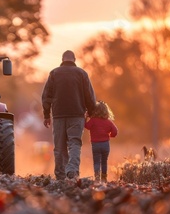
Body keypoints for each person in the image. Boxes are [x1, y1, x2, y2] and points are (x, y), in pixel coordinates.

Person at [41, 50, 97, 180]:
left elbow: (46, 96)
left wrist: (46, 115)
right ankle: (72, 170)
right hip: (77, 115)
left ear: (62, 59)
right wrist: (91, 111)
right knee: (75, 143)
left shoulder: (54, 73)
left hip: (59, 116)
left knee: (59, 146)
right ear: (74, 59)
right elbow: (89, 95)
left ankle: (60, 176)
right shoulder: (82, 74)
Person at [84, 100, 118, 182]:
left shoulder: (93, 120)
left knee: (96, 162)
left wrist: (85, 117)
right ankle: (104, 178)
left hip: (95, 144)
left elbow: (86, 126)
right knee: (104, 162)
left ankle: (97, 178)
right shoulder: (108, 122)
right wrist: (110, 135)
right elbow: (115, 131)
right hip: (105, 144)